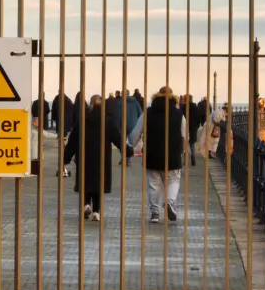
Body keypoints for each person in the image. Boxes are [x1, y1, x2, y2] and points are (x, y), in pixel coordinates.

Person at [62, 95, 132, 221]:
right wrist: (127, 150)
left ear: (90, 104)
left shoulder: (82, 120)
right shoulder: (107, 121)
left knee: (85, 182)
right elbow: (118, 139)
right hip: (102, 158)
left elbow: (72, 141)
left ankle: (86, 204)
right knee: (99, 184)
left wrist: (65, 158)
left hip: (84, 157)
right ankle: (96, 212)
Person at [131, 86, 184, 224]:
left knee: (153, 184)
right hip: (172, 155)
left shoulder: (148, 113)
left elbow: (136, 133)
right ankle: (170, 202)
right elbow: (184, 135)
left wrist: (130, 145)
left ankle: (155, 213)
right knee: (173, 180)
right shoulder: (179, 114)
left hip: (152, 154)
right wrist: (182, 151)